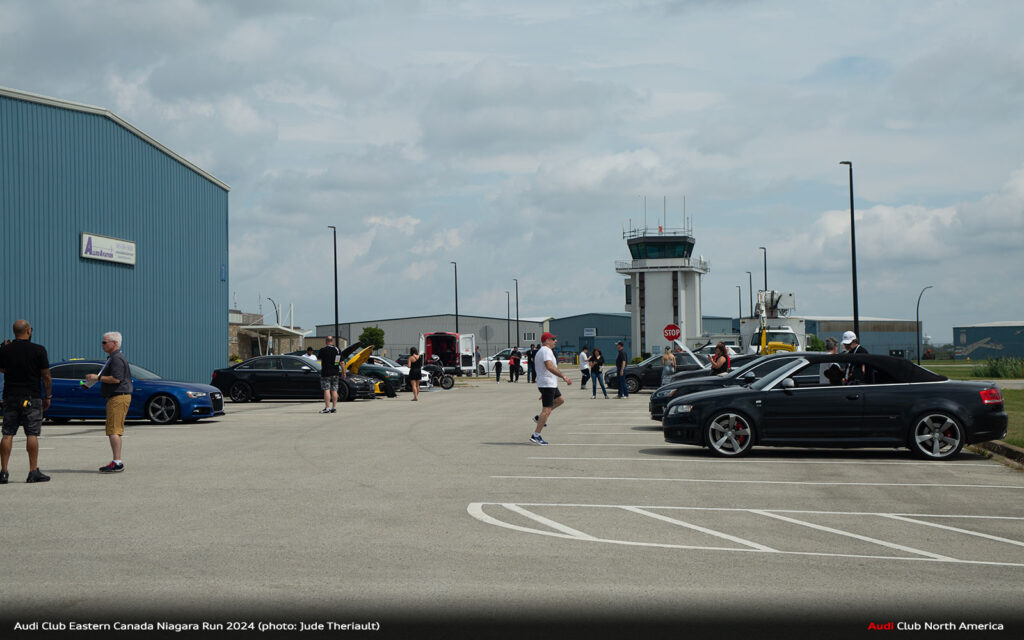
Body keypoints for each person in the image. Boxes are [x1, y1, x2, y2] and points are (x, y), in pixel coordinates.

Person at [0, 320, 52, 483]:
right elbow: (46, 376)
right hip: (31, 396)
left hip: (10, 396)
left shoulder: (5, 350)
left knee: (7, 433)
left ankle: (3, 472)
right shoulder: (38, 350)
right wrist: (48, 396)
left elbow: (2, 369)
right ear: (28, 331)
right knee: (32, 433)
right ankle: (33, 471)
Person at [85, 331, 132, 473]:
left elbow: (116, 379)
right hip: (116, 396)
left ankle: (117, 462)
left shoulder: (116, 358)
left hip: (118, 396)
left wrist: (97, 378)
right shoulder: (113, 357)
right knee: (113, 428)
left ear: (115, 343)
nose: (102, 345)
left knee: (114, 429)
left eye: (105, 342)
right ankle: (116, 461)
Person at [530, 332, 571, 445]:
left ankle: (539, 418)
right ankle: (536, 435)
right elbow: (549, 366)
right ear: (547, 340)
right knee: (547, 410)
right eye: (553, 339)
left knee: (560, 400)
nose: (555, 341)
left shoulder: (544, 351)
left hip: (548, 384)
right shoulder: (546, 350)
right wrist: (564, 376)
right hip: (547, 384)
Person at [317, 336, 344, 414]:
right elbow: (341, 362)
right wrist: (343, 372)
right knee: (334, 390)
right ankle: (334, 408)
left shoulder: (323, 350)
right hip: (335, 373)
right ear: (332, 341)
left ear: (326, 341)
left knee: (326, 389)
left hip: (326, 373)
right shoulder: (337, 350)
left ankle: (327, 408)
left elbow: (319, 358)